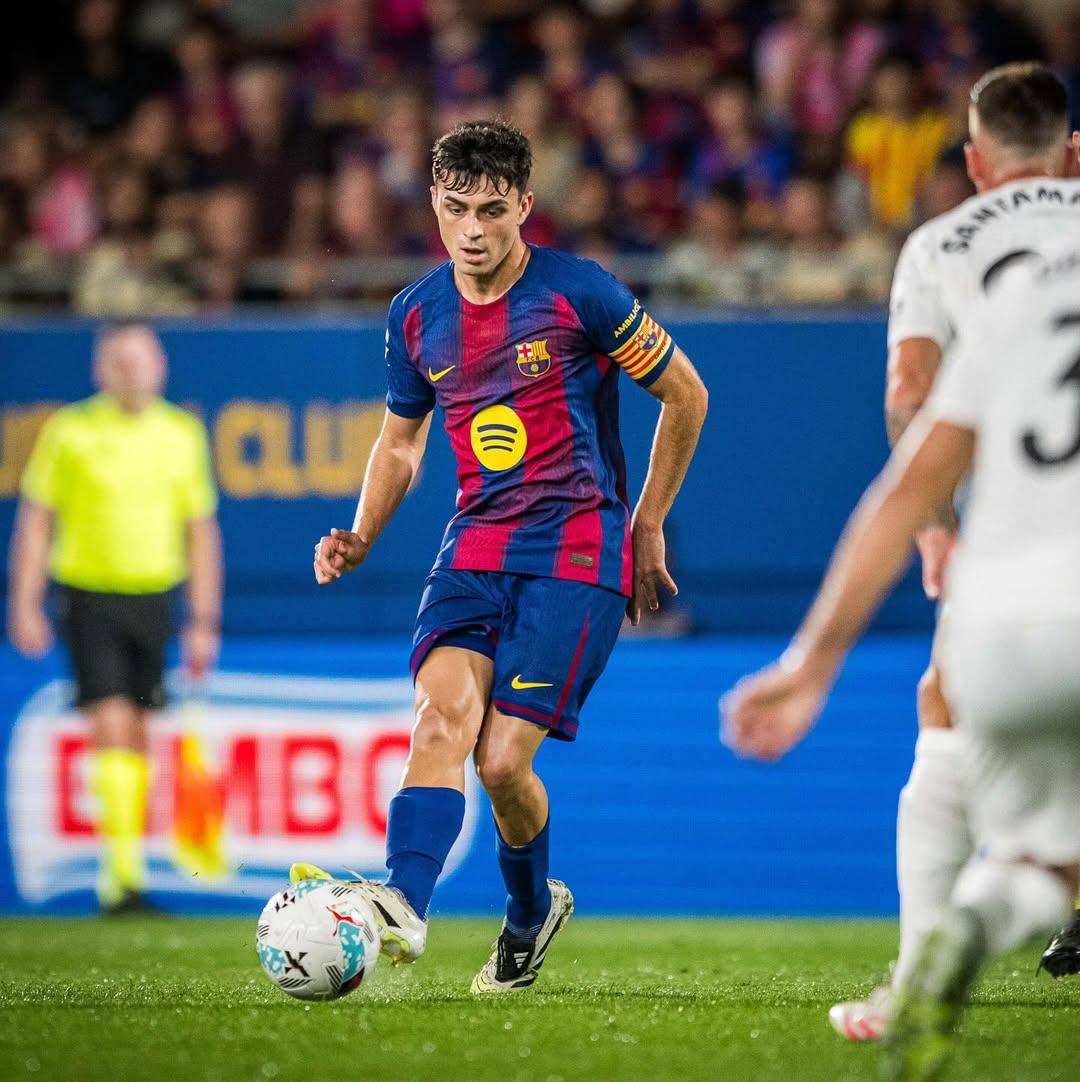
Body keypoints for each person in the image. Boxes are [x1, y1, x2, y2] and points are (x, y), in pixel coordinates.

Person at [299, 119, 708, 992]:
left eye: (491, 210)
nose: (473, 229)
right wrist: (363, 533)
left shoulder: (580, 293)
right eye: (456, 209)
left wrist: (648, 523)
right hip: (474, 545)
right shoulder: (416, 314)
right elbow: (400, 442)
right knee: (439, 718)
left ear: (525, 205)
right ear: (434, 206)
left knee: (501, 763)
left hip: (577, 545)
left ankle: (529, 913)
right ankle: (403, 905)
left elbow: (687, 393)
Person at [722, 242, 1080, 1080]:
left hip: (1009, 612)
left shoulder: (1016, 298)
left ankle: (955, 937)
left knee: (1036, 858)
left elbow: (905, 484)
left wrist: (811, 662)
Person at [825, 61, 1080, 1041]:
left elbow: (909, 393)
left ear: (974, 162)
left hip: (1019, 543)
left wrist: (935, 525)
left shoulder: (944, 246)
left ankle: (918, 974)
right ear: (1073, 153)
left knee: (945, 704)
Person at [7, 324, 222, 914]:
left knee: (140, 730)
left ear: (161, 368)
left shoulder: (181, 434)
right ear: (100, 369)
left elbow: (200, 530)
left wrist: (203, 619)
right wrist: (24, 601)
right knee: (111, 716)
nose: (130, 370)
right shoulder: (69, 430)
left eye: (140, 359)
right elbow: (37, 520)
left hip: (155, 597)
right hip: (90, 596)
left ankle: (127, 870)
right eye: (119, 360)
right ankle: (119, 878)